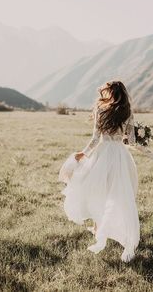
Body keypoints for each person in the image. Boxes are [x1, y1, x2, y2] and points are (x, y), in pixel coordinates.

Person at [59, 80, 140, 262]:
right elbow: (132, 141)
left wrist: (83, 153)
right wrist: (139, 140)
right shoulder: (128, 111)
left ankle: (98, 228)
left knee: (97, 192)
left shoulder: (101, 109)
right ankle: (113, 229)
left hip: (102, 154)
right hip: (120, 155)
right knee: (120, 195)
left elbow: (96, 138)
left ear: (110, 92)